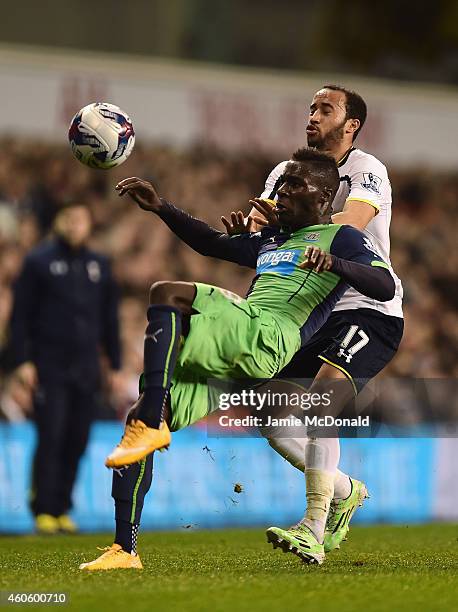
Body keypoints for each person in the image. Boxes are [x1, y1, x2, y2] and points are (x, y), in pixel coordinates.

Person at [79, 147, 395, 570]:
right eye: (281, 183)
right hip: (243, 341)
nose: (280, 193)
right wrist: (161, 208)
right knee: (142, 420)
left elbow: (385, 285)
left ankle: (153, 410)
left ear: (323, 197)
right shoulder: (273, 239)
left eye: (294, 184)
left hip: (272, 336)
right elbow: (210, 243)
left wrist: (337, 263)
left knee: (168, 293)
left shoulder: (343, 238)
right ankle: (125, 549)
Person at [227, 84, 403, 558]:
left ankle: (314, 526)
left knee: (324, 401)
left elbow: (345, 225)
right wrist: (248, 230)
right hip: (308, 307)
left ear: (351, 126)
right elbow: (260, 231)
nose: (313, 115)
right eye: (310, 107)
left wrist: (277, 226)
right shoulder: (286, 172)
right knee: (266, 411)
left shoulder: (367, 170)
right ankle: (344, 492)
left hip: (365, 305)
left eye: (325, 109)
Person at [10, 201, 122, 534]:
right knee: (52, 434)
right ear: (58, 221)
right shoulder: (38, 262)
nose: (75, 225)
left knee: (78, 437)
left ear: (89, 225)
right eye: (69, 218)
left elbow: (109, 319)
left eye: (81, 220)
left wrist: (114, 364)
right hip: (49, 364)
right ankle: (43, 507)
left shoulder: (99, 265)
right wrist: (23, 360)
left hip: (86, 367)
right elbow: (20, 317)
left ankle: (62, 507)